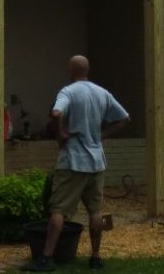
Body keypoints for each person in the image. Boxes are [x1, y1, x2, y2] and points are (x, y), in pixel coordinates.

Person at [23, 55, 130, 272]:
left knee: (58, 210)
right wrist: (102, 135)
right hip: (97, 162)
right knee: (95, 211)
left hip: (73, 161)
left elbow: (56, 112)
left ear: (71, 71)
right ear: (87, 70)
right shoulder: (102, 93)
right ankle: (96, 257)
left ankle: (46, 257)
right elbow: (125, 118)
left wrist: (60, 133)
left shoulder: (68, 92)